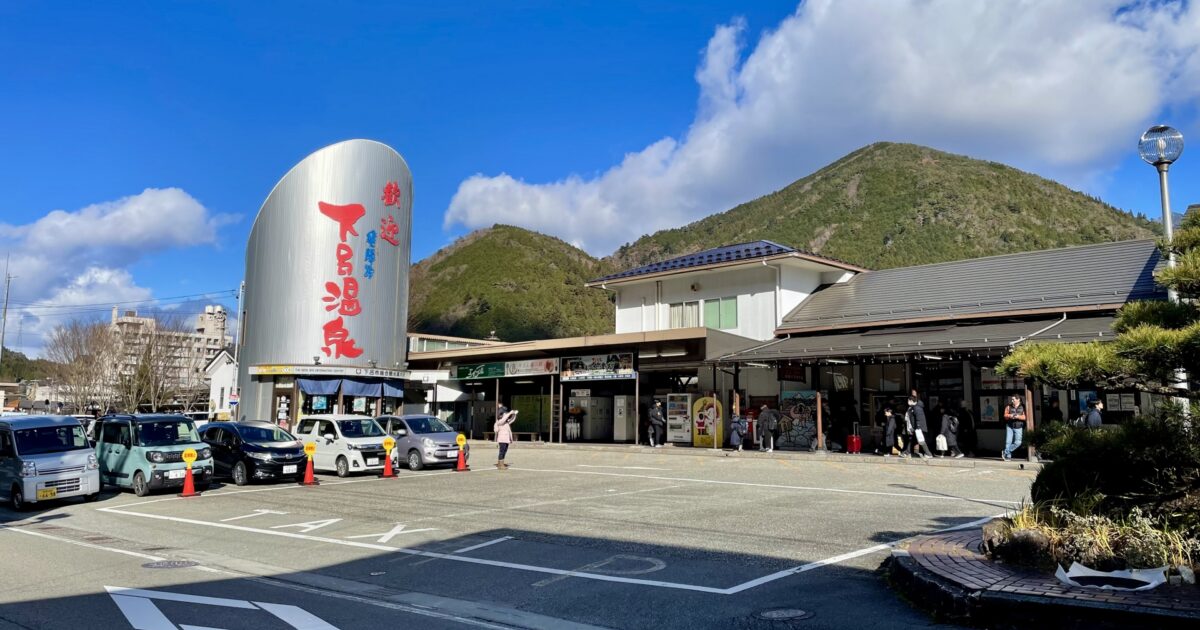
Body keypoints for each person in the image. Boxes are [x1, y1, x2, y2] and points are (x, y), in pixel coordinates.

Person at [1002, 395, 1027, 461]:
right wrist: (1010, 415)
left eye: (1013, 399)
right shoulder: (1008, 406)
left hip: (1018, 427)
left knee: (1018, 442)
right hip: (1010, 426)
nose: (1012, 401)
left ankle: (1006, 452)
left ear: (1018, 399)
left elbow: (1025, 417)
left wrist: (1018, 416)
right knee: (1008, 442)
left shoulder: (1023, 407)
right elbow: (1005, 416)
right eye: (1012, 399)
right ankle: (1008, 456)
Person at [494, 405, 517, 469]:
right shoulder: (499, 421)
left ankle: (501, 463)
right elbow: (504, 419)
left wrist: (514, 414)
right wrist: (509, 413)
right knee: (502, 451)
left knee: (504, 451)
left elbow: (512, 420)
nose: (506, 414)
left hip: (506, 439)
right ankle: (500, 465)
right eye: (505, 413)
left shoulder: (506, 422)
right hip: (502, 439)